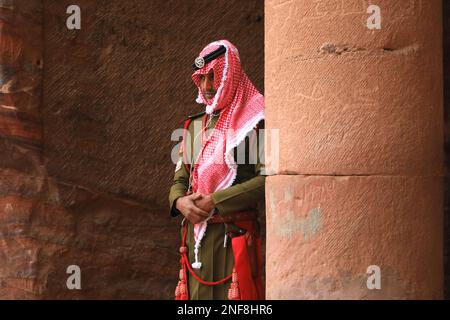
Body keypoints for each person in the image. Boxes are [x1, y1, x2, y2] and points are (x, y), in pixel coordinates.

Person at [169, 40, 265, 300]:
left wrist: (215, 200)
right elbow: (180, 179)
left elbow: (268, 181)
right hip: (194, 242)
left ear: (230, 74)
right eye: (201, 78)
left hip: (233, 238)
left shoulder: (258, 122)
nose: (207, 86)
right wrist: (179, 202)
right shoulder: (192, 126)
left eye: (213, 76)